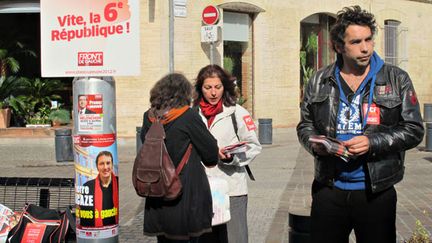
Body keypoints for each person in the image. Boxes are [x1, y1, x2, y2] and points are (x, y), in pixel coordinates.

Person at [296, 5, 424, 243]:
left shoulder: (397, 79)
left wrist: (372, 142)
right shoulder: (318, 80)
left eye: (368, 39)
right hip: (329, 188)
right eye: (356, 42)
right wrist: (316, 144)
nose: (365, 48)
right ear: (338, 46)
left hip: (376, 192)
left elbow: (414, 129)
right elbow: (305, 126)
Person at [140, 73, 219, 242]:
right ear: (185, 93)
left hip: (156, 191)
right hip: (185, 193)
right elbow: (211, 154)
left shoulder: (149, 117)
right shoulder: (188, 116)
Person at [193, 64, 262, 243]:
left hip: (232, 189)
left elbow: (254, 146)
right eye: (208, 88)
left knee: (235, 238)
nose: (213, 93)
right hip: (202, 189)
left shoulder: (237, 113)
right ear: (200, 89)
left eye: (218, 87)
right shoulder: (193, 115)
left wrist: (232, 158)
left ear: (225, 87)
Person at [79, 151, 118, 228]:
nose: (105, 167)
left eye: (108, 163)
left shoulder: (118, 183)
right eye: (101, 164)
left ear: (112, 165)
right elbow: (84, 216)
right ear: (97, 167)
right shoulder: (87, 187)